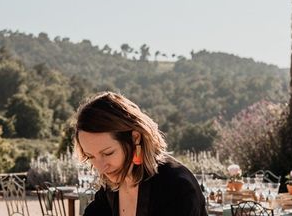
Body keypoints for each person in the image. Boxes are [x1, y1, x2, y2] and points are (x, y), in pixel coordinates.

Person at [73, 91, 207, 216]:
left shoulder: (177, 187)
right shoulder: (111, 189)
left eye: (108, 153)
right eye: (90, 156)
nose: (100, 168)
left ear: (135, 138)